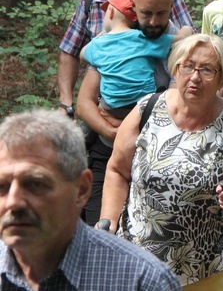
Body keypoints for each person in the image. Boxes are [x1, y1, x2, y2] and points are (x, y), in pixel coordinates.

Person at [100, 34, 223, 288]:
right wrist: (110, 220)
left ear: (222, 77)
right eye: (188, 66)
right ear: (175, 68)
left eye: (207, 70)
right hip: (139, 261)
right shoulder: (147, 110)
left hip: (208, 265)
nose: (195, 77)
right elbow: (117, 169)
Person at [0, 109, 182, 290]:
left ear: (81, 189)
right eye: (2, 187)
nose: (13, 202)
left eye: (36, 184)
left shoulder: (142, 281)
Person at [76, 0, 191, 226]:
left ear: (171, 8)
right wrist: (114, 131)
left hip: (159, 153)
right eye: (146, 13)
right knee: (100, 228)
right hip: (107, 151)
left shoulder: (178, 43)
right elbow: (84, 103)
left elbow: (179, 101)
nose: (152, 21)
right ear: (134, 7)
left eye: (160, 14)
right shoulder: (113, 42)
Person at [58, 0, 194, 119]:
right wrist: (66, 102)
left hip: (155, 108)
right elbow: (70, 51)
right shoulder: (90, 1)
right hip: (105, 106)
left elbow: (189, 47)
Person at [82, 0, 192, 120]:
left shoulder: (99, 44)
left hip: (111, 107)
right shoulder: (143, 39)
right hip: (143, 106)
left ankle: (99, 130)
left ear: (110, 13)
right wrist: (187, 28)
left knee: (99, 109)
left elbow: (82, 55)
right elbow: (180, 39)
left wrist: (101, 36)